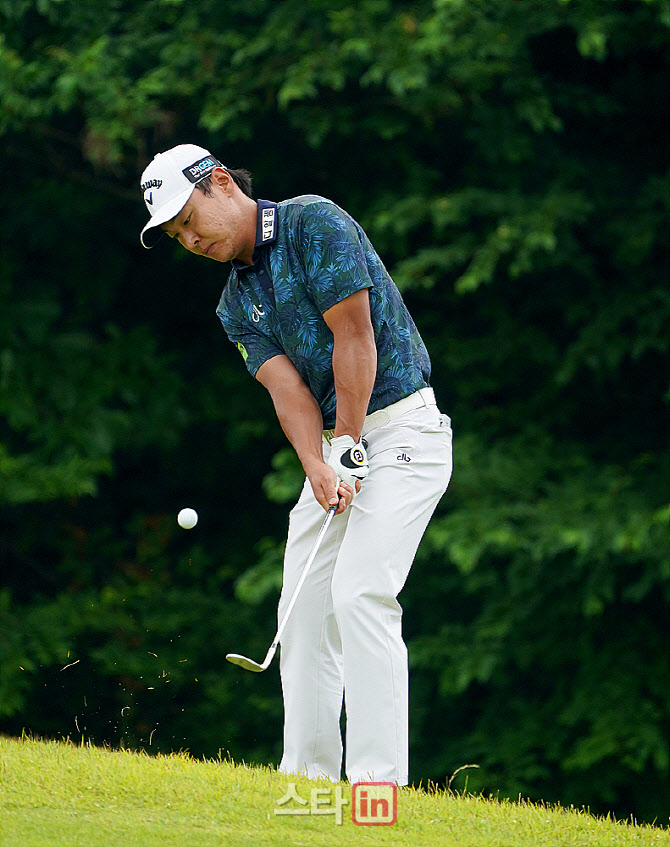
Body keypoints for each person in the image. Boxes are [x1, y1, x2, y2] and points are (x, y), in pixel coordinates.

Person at [139, 143, 453, 785]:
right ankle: (306, 781)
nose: (190, 240)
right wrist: (317, 463)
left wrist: (348, 443)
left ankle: (376, 785)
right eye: (176, 236)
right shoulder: (234, 305)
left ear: (220, 182)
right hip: (339, 443)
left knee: (360, 592)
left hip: (404, 431)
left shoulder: (314, 222)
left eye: (189, 219)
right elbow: (289, 393)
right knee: (303, 608)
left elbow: (354, 337)